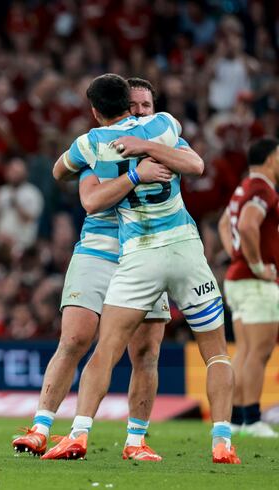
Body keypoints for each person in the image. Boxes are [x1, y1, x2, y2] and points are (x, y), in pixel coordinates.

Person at [41, 74, 239, 464]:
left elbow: (59, 171)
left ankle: (78, 434)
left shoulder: (90, 144)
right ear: (130, 104)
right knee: (216, 353)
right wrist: (146, 146)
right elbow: (196, 164)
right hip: (186, 250)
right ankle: (222, 442)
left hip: (139, 256)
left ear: (95, 111)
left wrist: (106, 159)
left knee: (106, 350)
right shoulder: (164, 125)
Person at [13, 77, 201, 461]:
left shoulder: (163, 140)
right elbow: (90, 199)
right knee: (74, 339)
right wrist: (135, 175)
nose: (140, 111)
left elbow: (195, 164)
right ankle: (40, 428)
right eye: (134, 105)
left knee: (146, 352)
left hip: (148, 252)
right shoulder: (96, 148)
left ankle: (136, 441)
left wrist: (153, 153)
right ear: (123, 107)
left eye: (147, 106)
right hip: (99, 250)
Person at [218, 137, 279, 438]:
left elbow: (223, 224)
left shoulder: (243, 188)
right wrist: (256, 265)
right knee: (259, 352)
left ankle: (237, 418)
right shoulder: (262, 189)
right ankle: (253, 420)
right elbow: (246, 225)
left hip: (237, 280)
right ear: (270, 159)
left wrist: (236, 255)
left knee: (244, 351)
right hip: (255, 283)